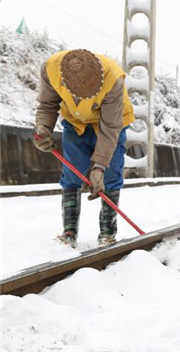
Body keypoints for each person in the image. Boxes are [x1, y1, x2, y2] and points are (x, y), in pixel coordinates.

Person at [33, 49, 135, 248]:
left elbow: (110, 129)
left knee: (110, 174)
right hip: (75, 122)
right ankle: (69, 232)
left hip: (112, 123)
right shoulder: (50, 69)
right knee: (72, 173)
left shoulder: (113, 79)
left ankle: (107, 233)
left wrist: (99, 167)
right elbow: (47, 104)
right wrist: (43, 129)